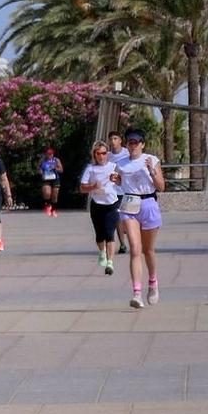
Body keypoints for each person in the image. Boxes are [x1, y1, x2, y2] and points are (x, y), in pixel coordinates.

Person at [113, 128, 165, 308]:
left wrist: (152, 171)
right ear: (126, 145)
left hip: (148, 203)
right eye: (130, 142)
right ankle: (136, 293)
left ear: (142, 144)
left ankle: (153, 282)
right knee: (135, 249)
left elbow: (161, 186)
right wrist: (116, 180)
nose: (133, 146)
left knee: (148, 250)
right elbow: (121, 181)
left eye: (136, 142)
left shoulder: (151, 160)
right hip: (129, 204)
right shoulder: (121, 163)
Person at [78, 142, 121, 275]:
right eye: (98, 153)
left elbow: (122, 181)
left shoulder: (114, 167)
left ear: (107, 154)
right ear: (94, 155)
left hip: (112, 203)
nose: (101, 156)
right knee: (100, 234)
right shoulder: (90, 169)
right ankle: (102, 252)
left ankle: (110, 263)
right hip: (97, 204)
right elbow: (82, 188)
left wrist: (118, 180)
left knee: (110, 234)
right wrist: (93, 186)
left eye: (104, 153)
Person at [39, 148, 62, 217]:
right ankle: (48, 206)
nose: (50, 155)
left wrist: (55, 168)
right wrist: (41, 172)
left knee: (55, 196)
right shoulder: (42, 160)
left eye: (51, 154)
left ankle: (53, 210)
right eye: (48, 154)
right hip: (46, 178)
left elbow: (61, 170)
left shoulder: (56, 160)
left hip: (55, 178)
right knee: (47, 193)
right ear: (46, 154)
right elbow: (39, 169)